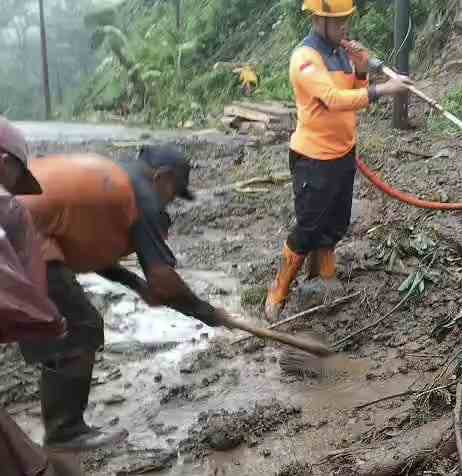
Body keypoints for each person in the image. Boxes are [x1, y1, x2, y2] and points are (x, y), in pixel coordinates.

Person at [12, 126, 239, 450]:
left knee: (61, 327)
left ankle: (57, 428)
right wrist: (208, 313)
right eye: (173, 194)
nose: (169, 204)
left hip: (16, 233)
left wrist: (134, 283)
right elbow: (163, 279)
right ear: (162, 178)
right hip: (19, 239)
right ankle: (65, 433)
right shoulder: (140, 196)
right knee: (79, 326)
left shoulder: (113, 181)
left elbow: (92, 251)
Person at [264, 0, 412, 320]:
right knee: (308, 228)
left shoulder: (341, 53)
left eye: (347, 20)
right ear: (319, 20)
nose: (346, 27)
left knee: (335, 222)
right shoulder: (305, 59)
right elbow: (332, 100)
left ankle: (324, 283)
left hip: (344, 153)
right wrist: (385, 89)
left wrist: (360, 70)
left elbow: (354, 97)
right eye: (339, 22)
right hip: (313, 158)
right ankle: (278, 292)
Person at [0, 117, 80, 476]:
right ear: (4, 164)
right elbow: (18, 290)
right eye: (13, 180)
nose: (13, 189)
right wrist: (47, 318)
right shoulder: (8, 209)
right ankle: (60, 436)